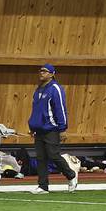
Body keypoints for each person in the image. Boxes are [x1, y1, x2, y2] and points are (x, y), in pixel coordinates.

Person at [29, 64, 77, 194]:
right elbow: (36, 110)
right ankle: (43, 186)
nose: (41, 73)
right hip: (39, 130)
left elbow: (60, 109)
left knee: (53, 155)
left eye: (45, 71)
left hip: (52, 128)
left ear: (52, 74)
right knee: (41, 158)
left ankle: (71, 175)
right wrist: (32, 126)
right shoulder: (38, 90)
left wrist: (62, 129)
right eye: (41, 71)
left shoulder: (55, 88)